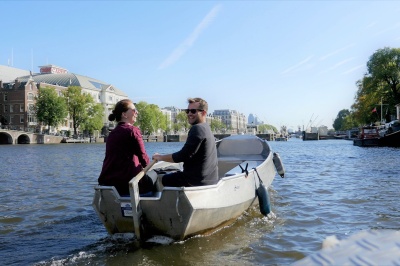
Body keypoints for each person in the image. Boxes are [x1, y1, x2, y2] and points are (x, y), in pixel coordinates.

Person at [152, 97, 219, 187]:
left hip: (194, 182)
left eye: (193, 111)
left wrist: (160, 157)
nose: (189, 114)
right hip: (210, 181)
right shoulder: (207, 128)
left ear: (203, 113)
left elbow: (182, 156)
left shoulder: (197, 129)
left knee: (161, 179)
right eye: (188, 111)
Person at [98, 99, 153, 196]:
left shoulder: (112, 134)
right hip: (127, 184)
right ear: (124, 114)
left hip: (109, 183)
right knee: (152, 181)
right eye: (134, 110)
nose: (137, 112)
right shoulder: (133, 131)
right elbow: (144, 159)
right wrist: (152, 164)